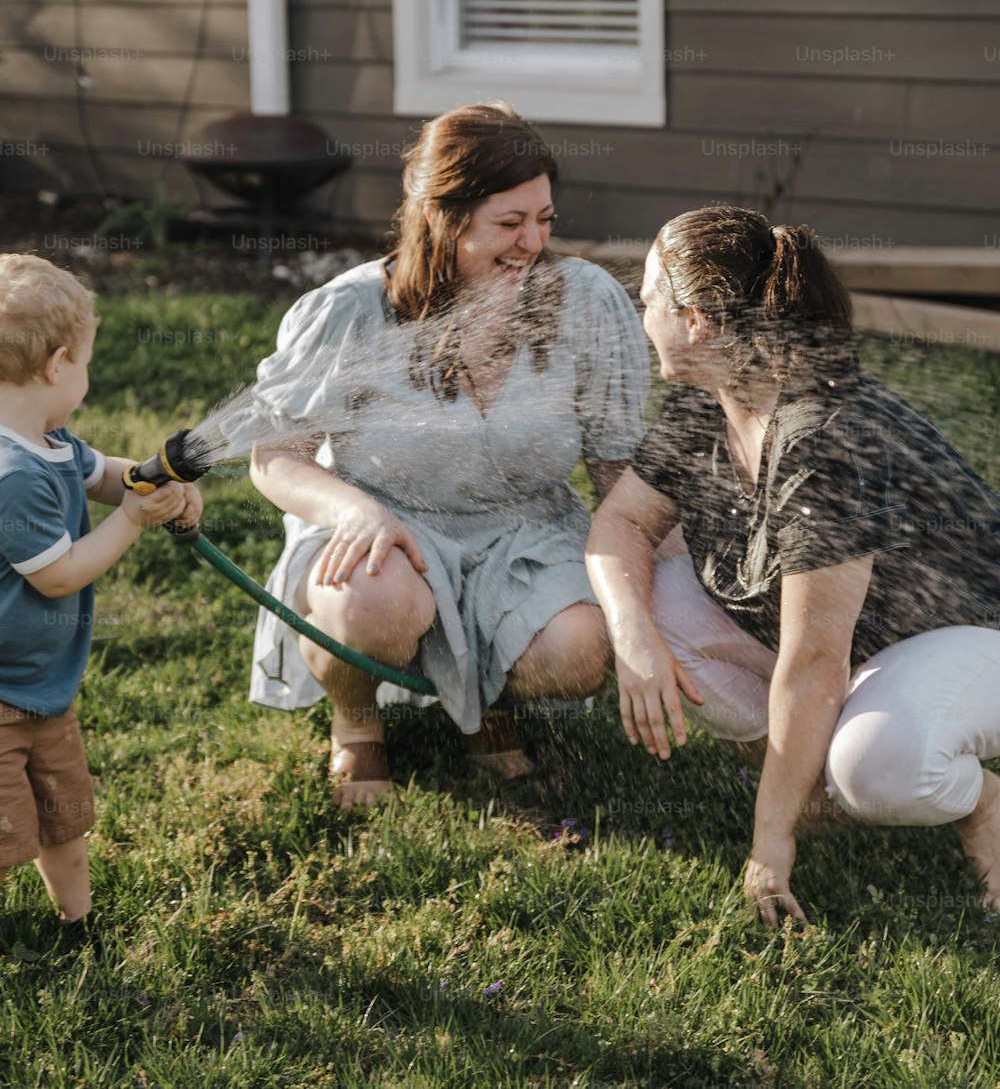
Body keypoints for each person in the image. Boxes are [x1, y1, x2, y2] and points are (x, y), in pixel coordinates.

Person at [586, 205, 1000, 923]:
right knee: (647, 595)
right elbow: (621, 522)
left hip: (974, 639)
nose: (640, 306)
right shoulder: (709, 401)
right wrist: (633, 640)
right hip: (864, 653)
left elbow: (814, 662)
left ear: (698, 321)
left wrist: (767, 845)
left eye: (651, 295)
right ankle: (803, 790)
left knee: (878, 770)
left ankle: (985, 804)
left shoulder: (822, 440)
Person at [246, 102, 649, 807]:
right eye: (509, 223)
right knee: (375, 606)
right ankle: (358, 720)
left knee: (582, 651)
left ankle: (487, 705)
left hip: (523, 532)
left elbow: (619, 466)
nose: (533, 242)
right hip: (389, 527)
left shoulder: (583, 302)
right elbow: (274, 457)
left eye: (545, 220)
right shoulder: (351, 310)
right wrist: (355, 511)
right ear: (442, 215)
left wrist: (659, 577)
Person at [0, 253, 202, 944]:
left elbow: (106, 476)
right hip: (2, 693)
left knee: (65, 815)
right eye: (86, 362)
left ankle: (77, 925)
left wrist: (151, 485)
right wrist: (133, 522)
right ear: (59, 364)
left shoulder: (48, 442)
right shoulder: (11, 473)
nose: (86, 378)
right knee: (4, 834)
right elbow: (57, 575)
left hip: (43, 688)